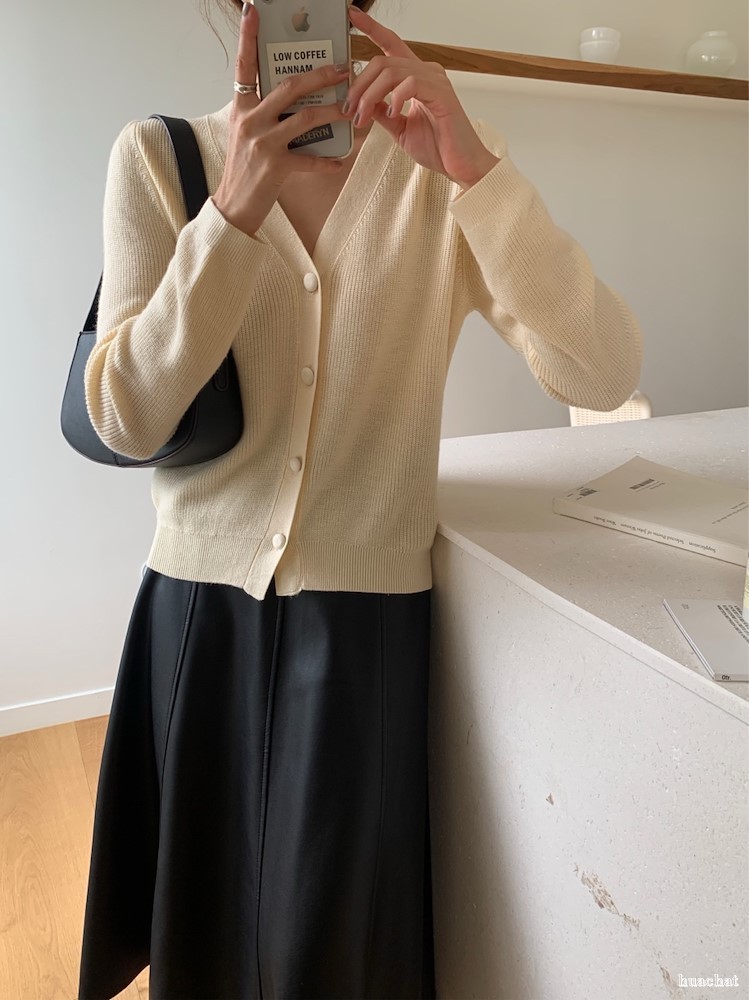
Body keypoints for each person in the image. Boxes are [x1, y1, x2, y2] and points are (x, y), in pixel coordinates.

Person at [77, 1, 643, 998]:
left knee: (333, 950)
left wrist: (477, 175)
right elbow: (123, 416)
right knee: (202, 939)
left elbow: (600, 371)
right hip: (196, 618)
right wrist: (229, 215)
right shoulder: (159, 159)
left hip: (365, 628)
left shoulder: (442, 165)